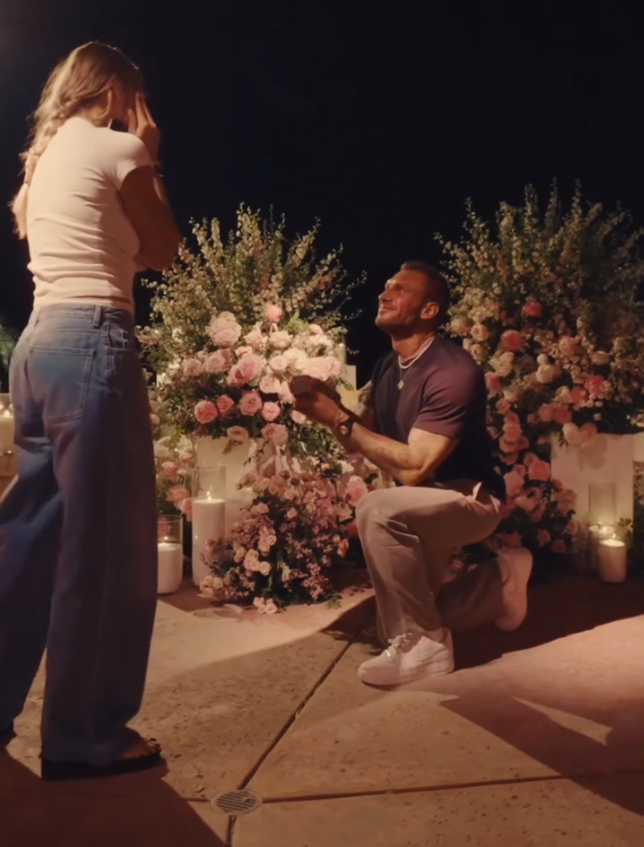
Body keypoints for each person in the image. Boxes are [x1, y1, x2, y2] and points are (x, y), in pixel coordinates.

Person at [0, 42, 181, 779]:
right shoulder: (119, 148)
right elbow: (163, 251)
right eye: (135, 93)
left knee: (31, 537)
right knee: (106, 549)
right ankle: (84, 736)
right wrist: (151, 154)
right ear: (115, 91)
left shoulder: (45, 159)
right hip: (93, 343)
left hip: (39, 346)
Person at [291, 262, 533, 687]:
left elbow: (417, 466)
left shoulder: (452, 370)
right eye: (386, 286)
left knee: (377, 510)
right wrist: (328, 408)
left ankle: (427, 645)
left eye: (399, 289)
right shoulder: (388, 365)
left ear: (429, 310)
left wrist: (338, 420)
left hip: (469, 498)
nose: (384, 294)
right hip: (419, 503)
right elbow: (357, 437)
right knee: (398, 623)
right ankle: (500, 583)